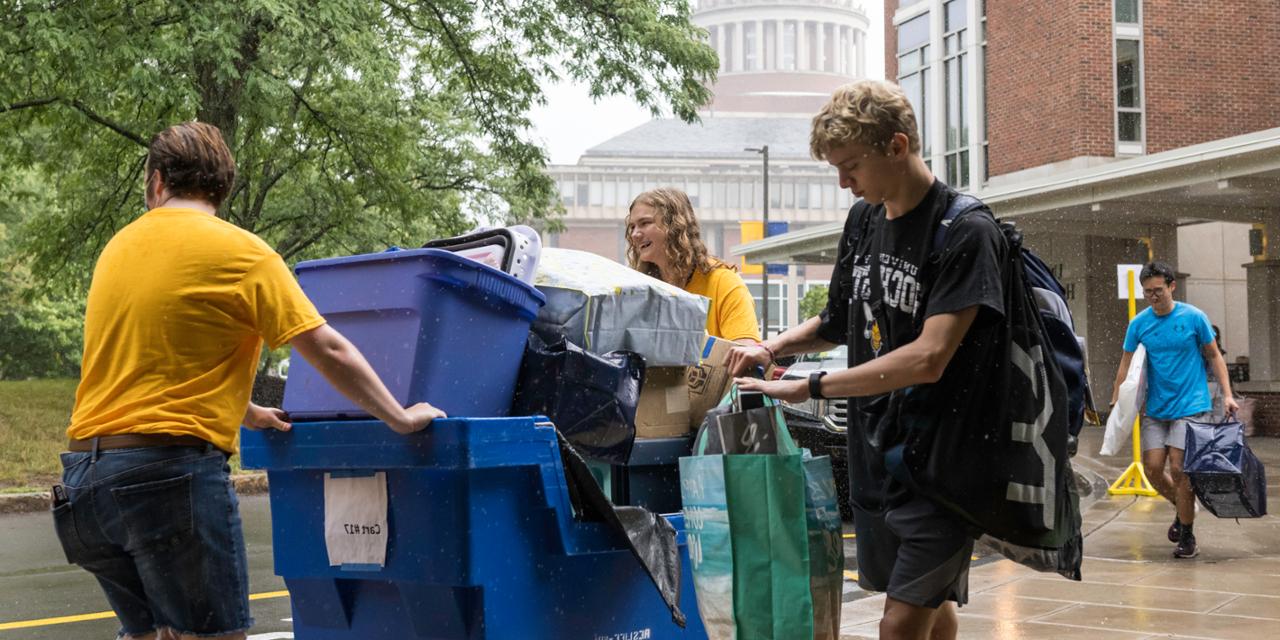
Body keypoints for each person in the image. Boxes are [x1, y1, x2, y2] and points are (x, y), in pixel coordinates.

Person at [55, 122, 446, 640]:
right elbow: (325, 347)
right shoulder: (241, 254)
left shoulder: (118, 249)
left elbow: (153, 358)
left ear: (155, 184)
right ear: (222, 189)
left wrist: (245, 409)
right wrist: (399, 416)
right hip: (166, 476)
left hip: (85, 484)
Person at [724, 80, 1007, 640]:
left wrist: (813, 388)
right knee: (930, 600)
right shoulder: (865, 221)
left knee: (897, 624)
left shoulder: (966, 231)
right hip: (879, 450)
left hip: (948, 463)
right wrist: (773, 347)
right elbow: (835, 321)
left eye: (851, 166)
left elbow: (929, 357)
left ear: (897, 147)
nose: (842, 182)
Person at [1109, 261, 1238, 559]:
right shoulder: (1139, 324)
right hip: (1156, 408)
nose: (1154, 297)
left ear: (1172, 287)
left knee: (1179, 469)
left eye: (1158, 291)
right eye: (1148, 292)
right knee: (1153, 469)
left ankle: (1187, 537)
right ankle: (1183, 510)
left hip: (1190, 406)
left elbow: (1215, 356)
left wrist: (1228, 395)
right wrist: (1116, 398)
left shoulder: (1194, 317)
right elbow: (1125, 363)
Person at [626, 186, 761, 343]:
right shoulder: (640, 290)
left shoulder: (723, 283)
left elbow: (745, 349)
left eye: (645, 223)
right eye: (632, 227)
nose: (635, 234)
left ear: (675, 226)